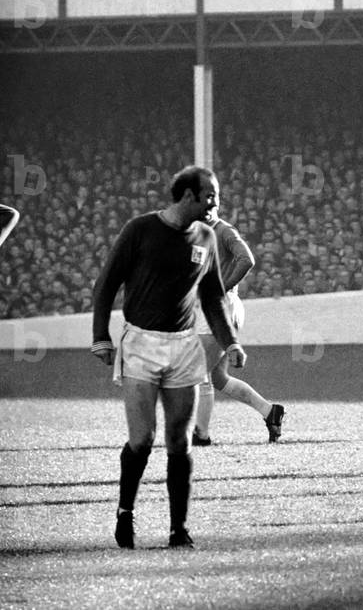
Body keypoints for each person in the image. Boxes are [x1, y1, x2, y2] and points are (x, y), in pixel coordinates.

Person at [92, 166, 247, 550]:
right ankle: (125, 514)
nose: (216, 202)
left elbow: (211, 297)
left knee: (180, 441)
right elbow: (106, 283)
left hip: (184, 345)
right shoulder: (140, 230)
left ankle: (179, 530)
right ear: (189, 196)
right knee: (142, 440)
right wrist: (100, 336)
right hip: (141, 345)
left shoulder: (207, 237)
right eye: (210, 194)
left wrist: (229, 342)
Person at [192, 207, 284, 446]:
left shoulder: (223, 231)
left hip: (222, 306)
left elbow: (247, 259)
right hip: (210, 306)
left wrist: (222, 287)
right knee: (218, 377)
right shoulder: (198, 234)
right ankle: (269, 411)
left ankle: (200, 435)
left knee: (199, 371)